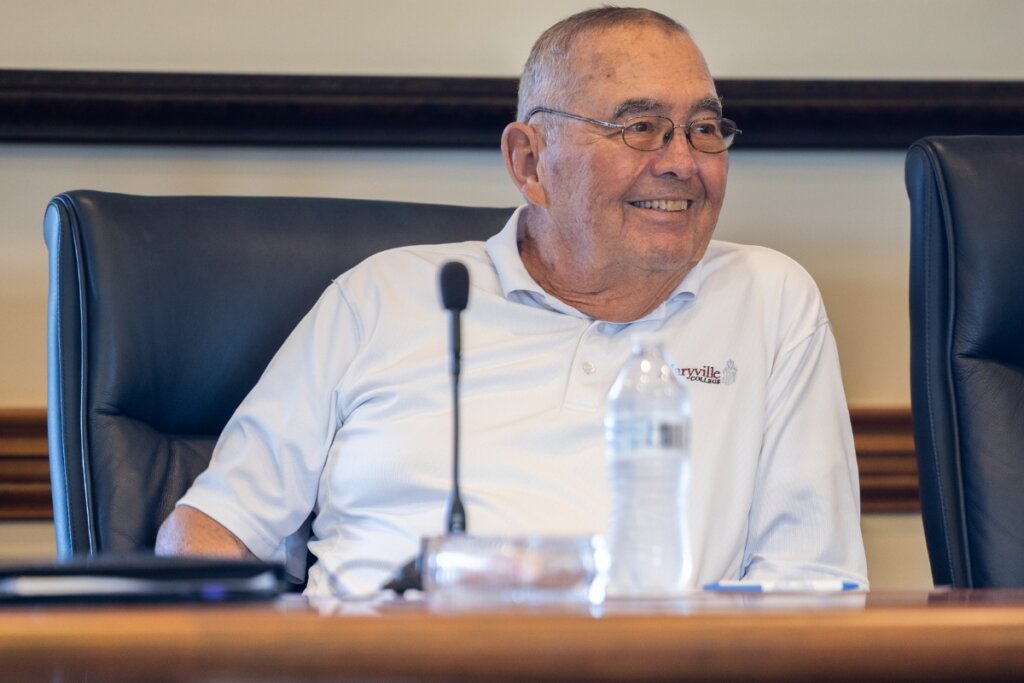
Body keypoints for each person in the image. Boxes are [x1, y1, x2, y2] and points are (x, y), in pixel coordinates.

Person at [156, 6, 869, 595]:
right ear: (529, 162)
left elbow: (812, 585)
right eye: (639, 126)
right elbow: (211, 531)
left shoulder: (769, 303)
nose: (682, 161)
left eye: (704, 128)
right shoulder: (383, 297)